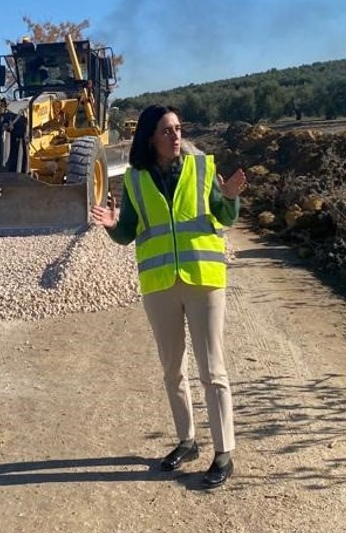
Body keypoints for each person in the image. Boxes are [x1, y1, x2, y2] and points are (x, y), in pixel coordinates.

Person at [91, 104, 246, 489]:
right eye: (166, 130)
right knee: (172, 369)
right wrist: (112, 226)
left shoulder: (202, 168)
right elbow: (128, 232)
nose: (176, 136)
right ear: (150, 138)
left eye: (178, 128)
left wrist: (230, 197)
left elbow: (225, 216)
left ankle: (223, 453)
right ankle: (187, 441)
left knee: (212, 370)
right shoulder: (134, 179)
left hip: (204, 279)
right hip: (160, 284)